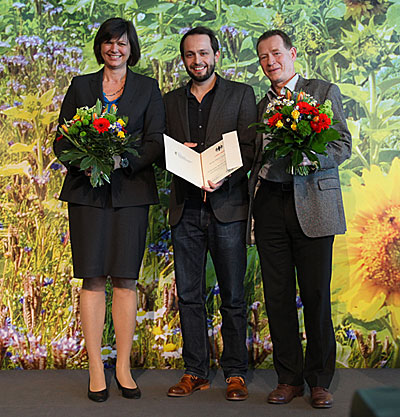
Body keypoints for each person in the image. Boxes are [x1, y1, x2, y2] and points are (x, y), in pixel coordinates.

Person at [53, 17, 164, 402]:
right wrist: (83, 159)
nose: (115, 49)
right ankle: (96, 368)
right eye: (108, 42)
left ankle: (123, 367)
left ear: (132, 48)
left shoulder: (148, 88)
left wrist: (121, 162)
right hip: (87, 194)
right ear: (100, 46)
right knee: (93, 278)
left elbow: (154, 143)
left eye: (122, 43)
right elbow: (61, 139)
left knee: (125, 279)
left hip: (131, 193)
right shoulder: (81, 85)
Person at [248, 29, 351, 409]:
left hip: (313, 206)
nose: (270, 62)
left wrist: (312, 158)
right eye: (263, 57)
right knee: (276, 298)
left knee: (316, 296)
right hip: (271, 206)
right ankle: (288, 379)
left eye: (276, 53)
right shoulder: (262, 105)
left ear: (291, 53)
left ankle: (320, 380)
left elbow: (342, 143)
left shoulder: (322, 92)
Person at [163, 27, 256, 401]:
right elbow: (161, 148)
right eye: (189, 55)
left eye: (203, 53)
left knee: (233, 295)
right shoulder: (169, 101)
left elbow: (249, 148)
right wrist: (175, 152)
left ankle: (235, 372)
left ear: (217, 55)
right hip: (185, 209)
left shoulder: (241, 94)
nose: (197, 61)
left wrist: (221, 175)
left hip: (228, 206)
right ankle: (195, 371)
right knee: (188, 295)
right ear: (183, 59)